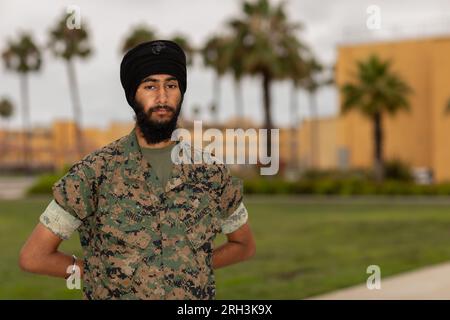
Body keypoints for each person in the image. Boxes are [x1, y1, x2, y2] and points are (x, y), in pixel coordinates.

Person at [19, 40, 255, 300]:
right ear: (133, 95)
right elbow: (34, 256)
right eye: (150, 86)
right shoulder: (94, 173)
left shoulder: (211, 173)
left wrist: (187, 266)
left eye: (171, 85)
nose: (162, 97)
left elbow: (243, 245)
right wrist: (99, 274)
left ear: (181, 93)